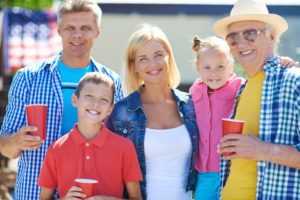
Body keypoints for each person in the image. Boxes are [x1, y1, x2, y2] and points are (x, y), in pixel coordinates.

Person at [0, 1, 123, 199]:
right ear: (58, 30)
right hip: (35, 191)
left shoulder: (112, 82)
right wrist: (16, 141)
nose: (77, 35)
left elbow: (119, 143)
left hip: (91, 192)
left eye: (85, 28)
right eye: (70, 28)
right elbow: (4, 147)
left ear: (98, 31)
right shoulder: (27, 78)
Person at [213, 0, 300, 199]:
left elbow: (257, 150)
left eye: (250, 33)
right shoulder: (242, 87)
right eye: (232, 38)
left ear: (271, 35)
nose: (241, 43)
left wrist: (263, 150)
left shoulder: (294, 81)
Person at [107, 24, 198, 200]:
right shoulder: (121, 112)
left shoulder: (191, 105)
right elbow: (107, 167)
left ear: (169, 57)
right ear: (133, 66)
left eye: (158, 55)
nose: (153, 64)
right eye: (143, 59)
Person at [38, 72, 142, 200]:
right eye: (89, 96)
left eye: (103, 100)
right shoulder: (56, 149)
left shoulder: (125, 148)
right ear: (75, 100)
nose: (95, 104)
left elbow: (136, 197)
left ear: (110, 108)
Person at [190, 36, 244, 200]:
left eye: (220, 67)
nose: (214, 73)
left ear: (231, 66)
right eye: (207, 67)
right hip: (204, 171)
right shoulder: (195, 90)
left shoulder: (240, 86)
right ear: (198, 68)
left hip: (232, 168)